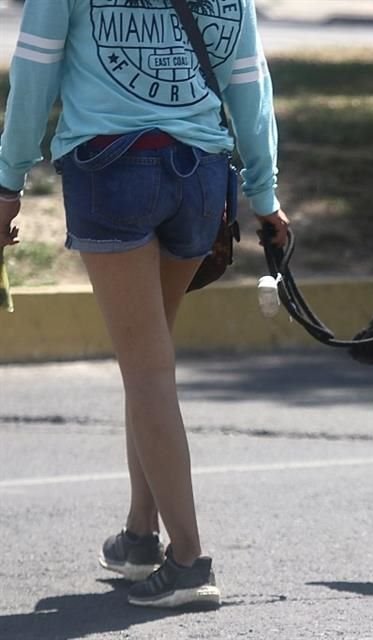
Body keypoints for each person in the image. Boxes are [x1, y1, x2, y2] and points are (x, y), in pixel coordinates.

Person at [0, 0, 288, 609]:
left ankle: (189, 561)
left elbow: (36, 66)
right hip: (201, 177)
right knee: (150, 364)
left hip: (111, 171)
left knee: (147, 372)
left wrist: (7, 180)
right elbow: (247, 78)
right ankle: (139, 536)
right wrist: (265, 194)